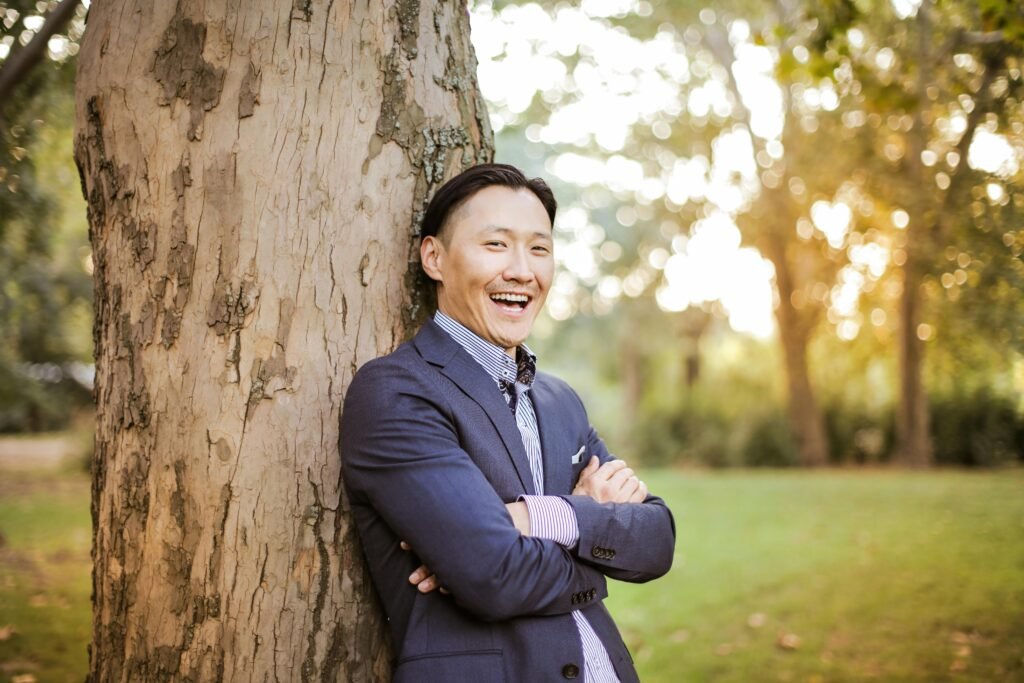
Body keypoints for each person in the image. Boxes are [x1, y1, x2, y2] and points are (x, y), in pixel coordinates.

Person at [340, 163, 675, 682]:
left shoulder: (561, 400)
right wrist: (591, 523)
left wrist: (533, 519)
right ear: (435, 257)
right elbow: (491, 574)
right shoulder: (397, 391)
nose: (523, 270)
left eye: (539, 249)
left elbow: (656, 540)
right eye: (496, 245)